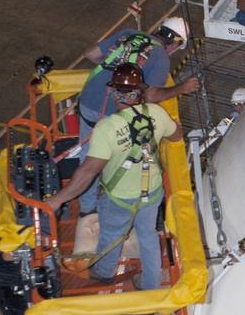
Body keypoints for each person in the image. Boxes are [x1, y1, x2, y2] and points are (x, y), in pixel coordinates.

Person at [45, 64, 183, 291]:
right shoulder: (157, 113)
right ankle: (152, 286)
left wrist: (58, 199)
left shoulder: (107, 128)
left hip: (119, 198)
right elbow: (176, 135)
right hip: (152, 192)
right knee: (148, 236)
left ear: (117, 94)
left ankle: (105, 272)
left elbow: (87, 171)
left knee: (111, 234)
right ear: (140, 92)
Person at [76, 17, 198, 215]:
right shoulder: (160, 57)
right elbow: (151, 96)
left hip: (88, 99)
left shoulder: (128, 33)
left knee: (87, 155)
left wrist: (115, 71)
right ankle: (93, 206)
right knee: (103, 160)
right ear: (174, 42)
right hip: (110, 112)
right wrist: (181, 89)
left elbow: (90, 54)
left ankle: (86, 208)